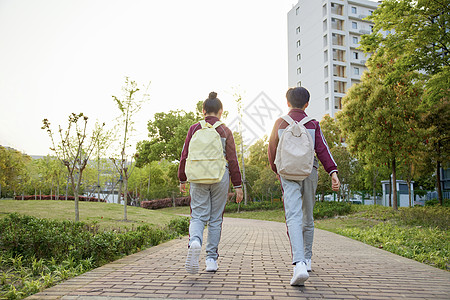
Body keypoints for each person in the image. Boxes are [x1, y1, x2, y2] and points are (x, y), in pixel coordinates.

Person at [268, 87, 340, 286]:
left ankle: (298, 263)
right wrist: (333, 171)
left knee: (293, 216)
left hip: (287, 173)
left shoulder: (280, 123)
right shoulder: (313, 124)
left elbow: (272, 151)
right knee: (308, 216)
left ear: (288, 103)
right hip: (310, 171)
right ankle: (307, 259)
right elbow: (322, 149)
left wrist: (278, 172)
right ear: (307, 104)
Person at [178, 91, 243, 274]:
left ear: (203, 110)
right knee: (215, 218)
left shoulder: (194, 128)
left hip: (198, 176)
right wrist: (238, 186)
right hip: (220, 175)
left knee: (198, 215)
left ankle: (195, 241)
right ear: (221, 111)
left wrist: (182, 178)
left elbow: (185, 155)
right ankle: (211, 260)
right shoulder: (225, 130)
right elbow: (233, 160)